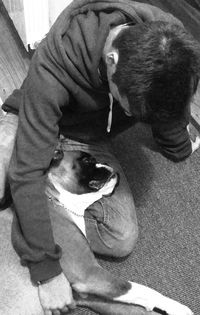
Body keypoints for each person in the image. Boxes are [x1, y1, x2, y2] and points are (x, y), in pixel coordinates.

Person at [0, 0, 200, 314]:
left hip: (85, 138)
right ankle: (29, 216)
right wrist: (46, 270)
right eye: (131, 109)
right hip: (35, 120)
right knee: (14, 169)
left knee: (120, 237)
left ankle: (32, 212)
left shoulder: (170, 41)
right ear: (112, 60)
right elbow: (26, 171)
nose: (134, 116)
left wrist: (179, 146)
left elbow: (170, 104)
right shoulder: (58, 59)